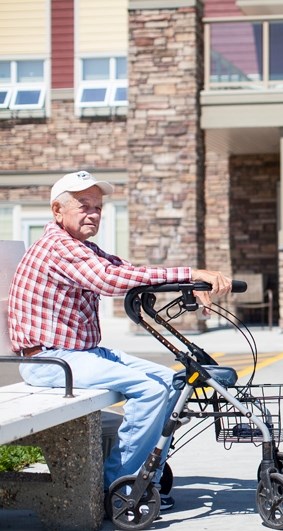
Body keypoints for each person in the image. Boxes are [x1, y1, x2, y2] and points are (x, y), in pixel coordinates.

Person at [7, 170, 233, 511]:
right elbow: (110, 280)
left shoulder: (82, 248)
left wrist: (190, 286)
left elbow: (127, 270)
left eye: (98, 207)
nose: (93, 214)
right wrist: (190, 273)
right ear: (57, 211)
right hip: (51, 361)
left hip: (77, 354)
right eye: (84, 206)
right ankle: (120, 488)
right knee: (152, 390)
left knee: (170, 383)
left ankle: (146, 477)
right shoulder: (59, 247)